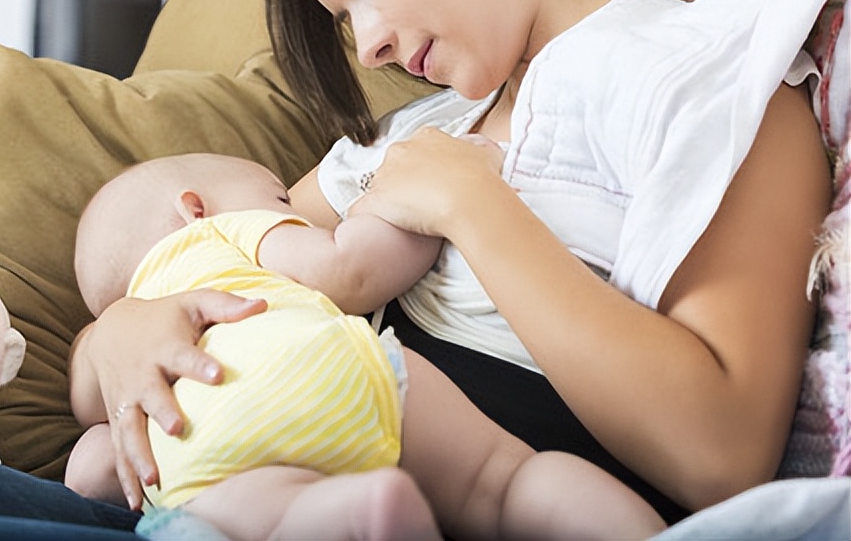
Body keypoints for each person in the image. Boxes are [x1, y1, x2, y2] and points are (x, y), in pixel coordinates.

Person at [72, 0, 841, 528]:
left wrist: (473, 205)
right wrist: (120, 332)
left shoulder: (713, 71)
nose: (367, 47)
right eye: (343, 18)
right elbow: (204, 246)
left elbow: (721, 453)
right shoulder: (418, 134)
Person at [63, 152, 665, 541]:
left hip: (201, 454)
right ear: (194, 207)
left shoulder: (127, 358)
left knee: (257, 516)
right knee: (503, 483)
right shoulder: (222, 232)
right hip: (325, 374)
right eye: (280, 200)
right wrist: (413, 201)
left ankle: (357, 515)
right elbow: (348, 269)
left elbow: (95, 456)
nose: (297, 214)